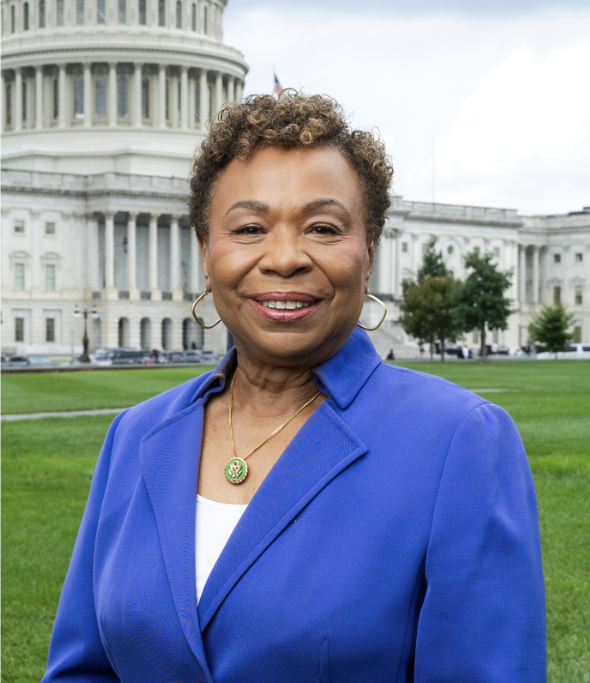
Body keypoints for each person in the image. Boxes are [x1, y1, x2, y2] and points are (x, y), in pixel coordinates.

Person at [42, 92, 546, 683]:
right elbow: (83, 670)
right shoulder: (135, 436)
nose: (284, 258)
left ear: (368, 252)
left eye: (323, 228)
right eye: (250, 227)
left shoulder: (459, 442)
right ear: (206, 253)